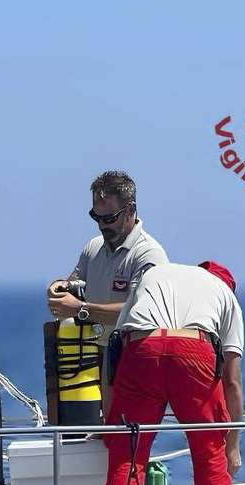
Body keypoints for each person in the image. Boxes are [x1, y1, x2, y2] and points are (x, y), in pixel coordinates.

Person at [102, 261, 244, 485]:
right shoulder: (225, 295)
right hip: (194, 350)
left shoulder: (154, 274)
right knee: (209, 450)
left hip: (142, 348)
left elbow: (115, 352)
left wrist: (111, 424)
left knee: (128, 454)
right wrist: (232, 446)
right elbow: (231, 382)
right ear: (228, 286)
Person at [46, 171, 168, 406]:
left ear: (131, 209)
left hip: (131, 361)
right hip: (92, 359)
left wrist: (81, 309)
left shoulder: (149, 255)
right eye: (96, 217)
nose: (102, 225)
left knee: (123, 434)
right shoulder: (94, 247)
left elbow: (139, 313)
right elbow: (74, 282)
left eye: (109, 218)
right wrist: (59, 289)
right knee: (91, 431)